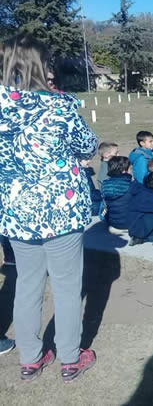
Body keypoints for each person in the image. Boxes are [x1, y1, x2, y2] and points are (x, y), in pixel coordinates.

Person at [0, 34, 97, 381]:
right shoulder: (59, 107)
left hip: (17, 212)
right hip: (61, 208)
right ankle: (70, 358)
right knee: (67, 285)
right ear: (41, 66)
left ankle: (30, 358)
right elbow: (88, 146)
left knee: (26, 283)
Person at [101, 156, 133, 234]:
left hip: (113, 223)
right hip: (130, 223)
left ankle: (116, 226)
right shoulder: (132, 185)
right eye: (130, 169)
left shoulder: (105, 184)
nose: (132, 171)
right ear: (124, 171)